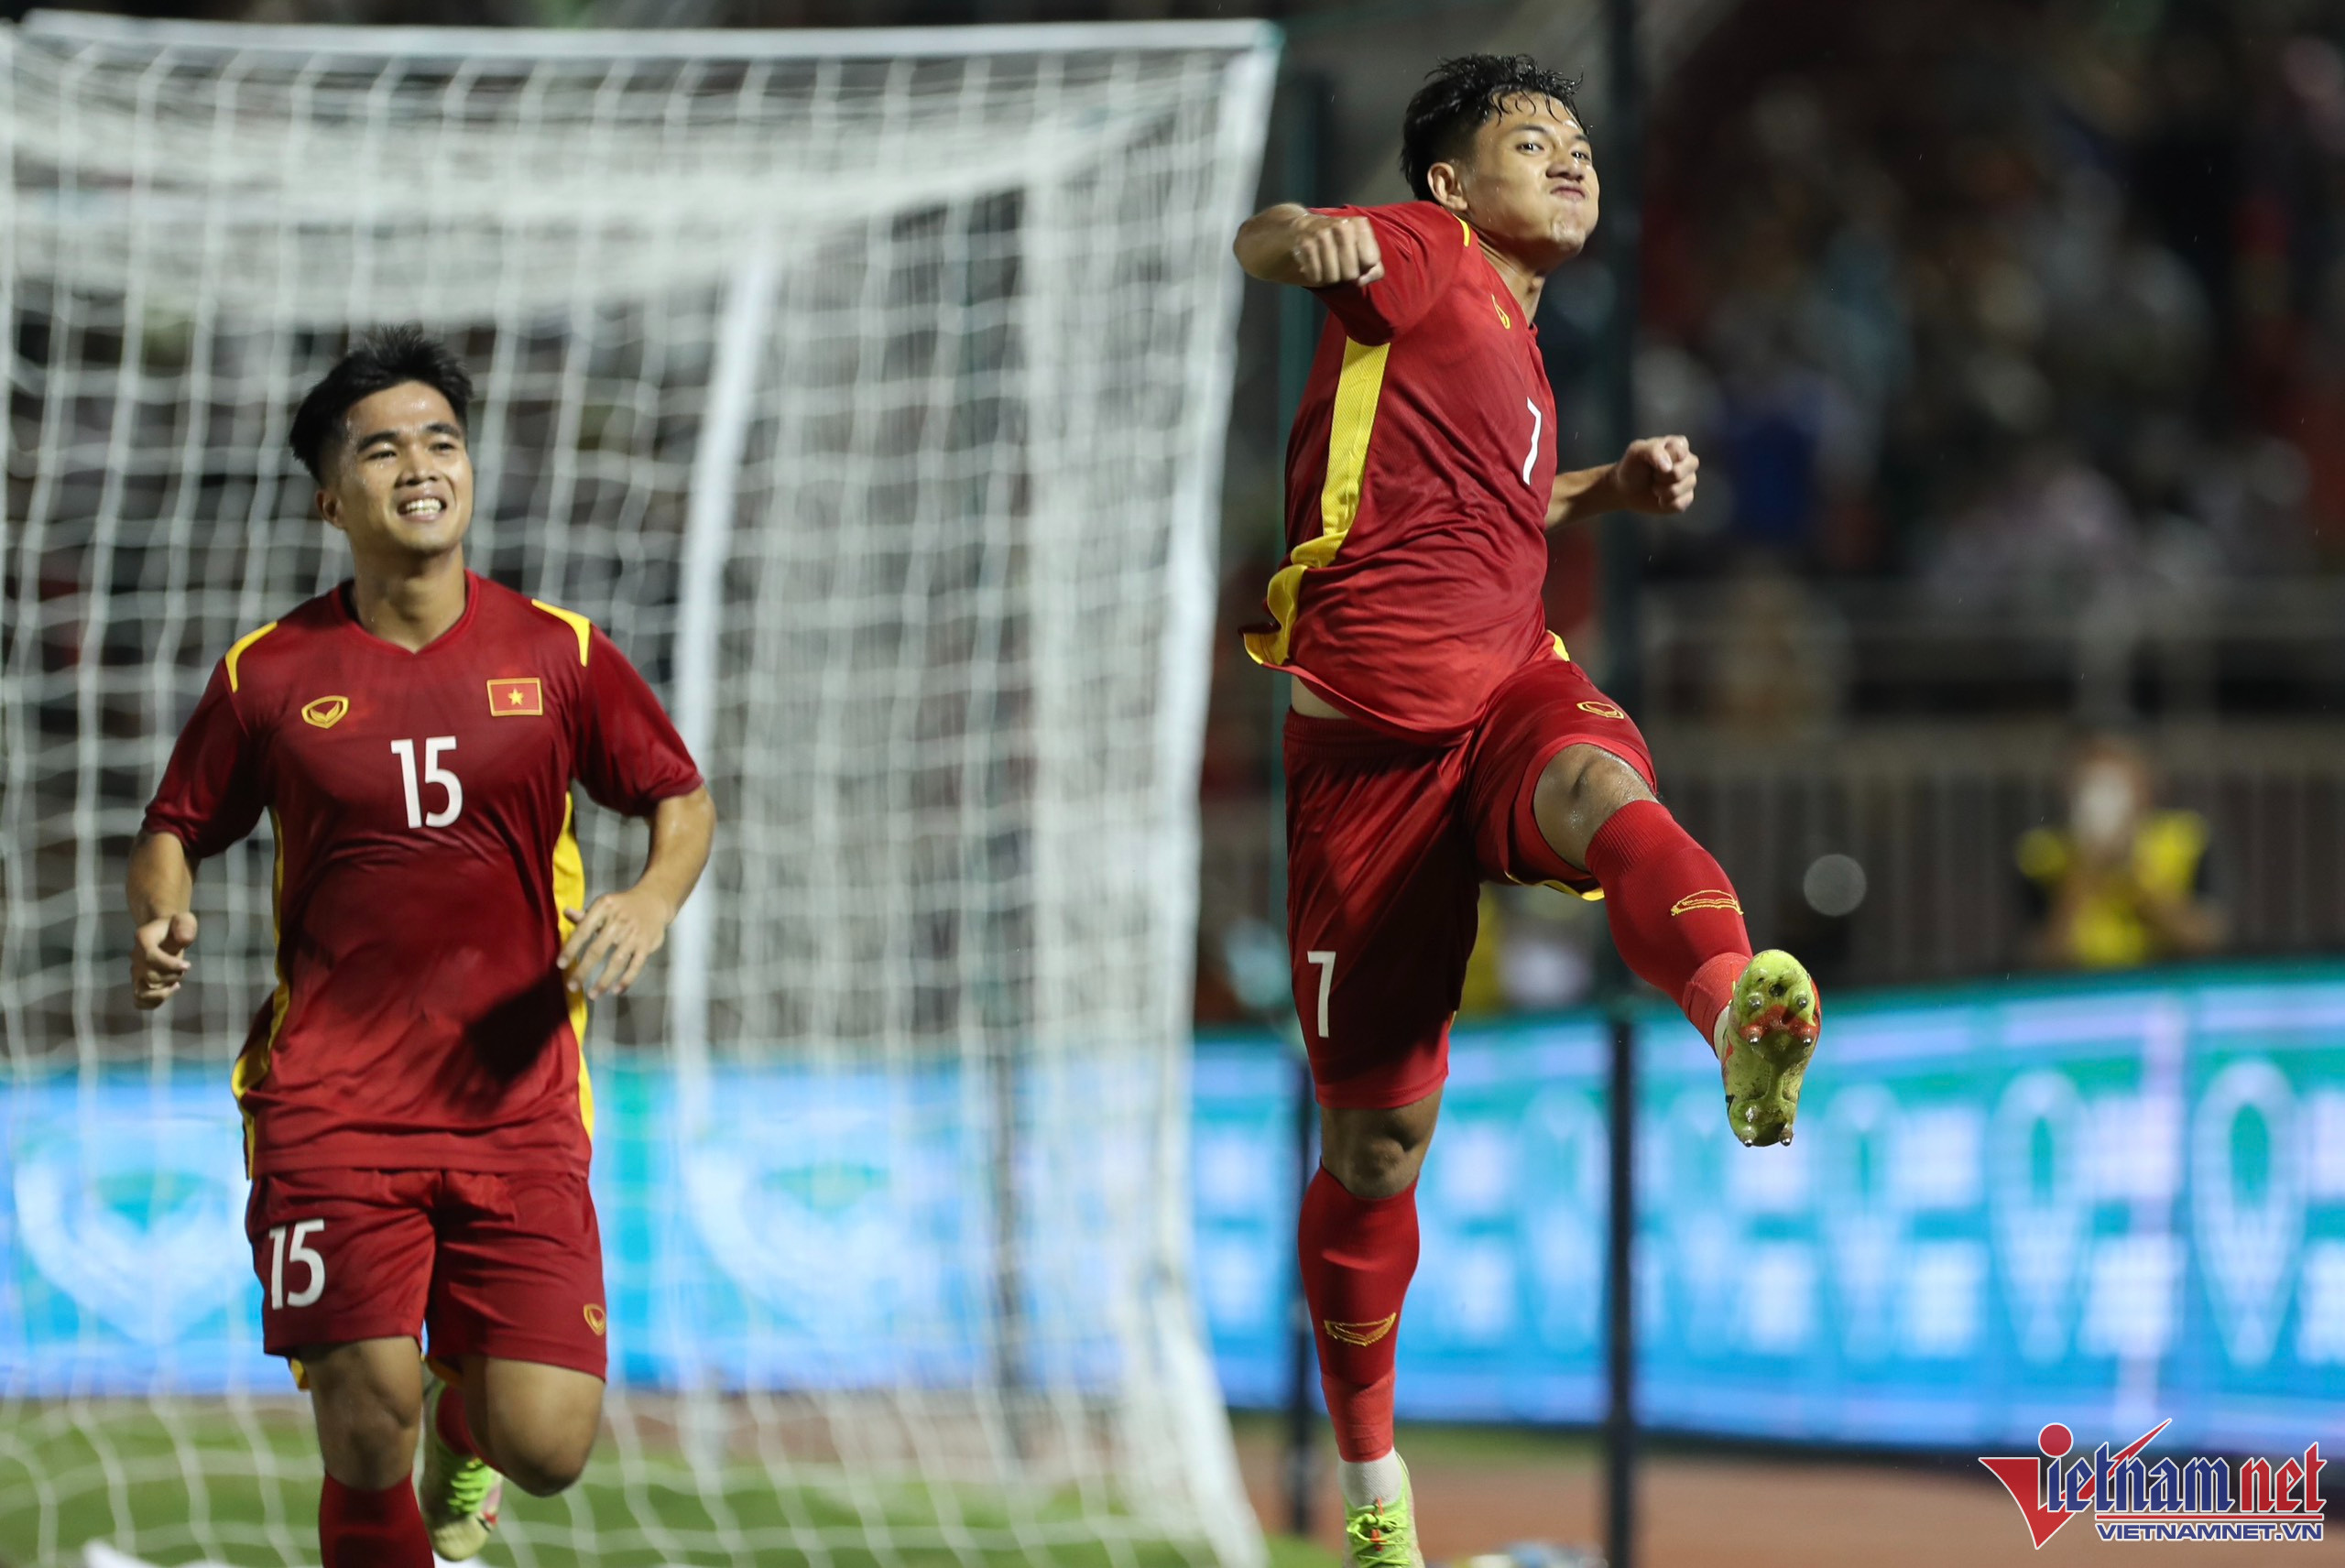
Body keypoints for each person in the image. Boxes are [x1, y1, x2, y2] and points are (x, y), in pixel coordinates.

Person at [1232, 56, 1820, 1566]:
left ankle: (1737, 1013)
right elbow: (1274, 239)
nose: (1570, 159)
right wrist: (1306, 239)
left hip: (1505, 695)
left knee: (1600, 783)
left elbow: (1487, 499)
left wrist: (1603, 490)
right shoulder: (1422, 254)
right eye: (1529, 141)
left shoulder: (1521, 342)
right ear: (1448, 184)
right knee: (1375, 1151)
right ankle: (1375, 1489)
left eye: (1579, 143)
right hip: (1367, 772)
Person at [125, 328, 717, 1567]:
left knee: (545, 1444)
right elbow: (175, 822)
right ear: (330, 500)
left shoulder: (560, 652)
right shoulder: (269, 674)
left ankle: (468, 1439)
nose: (420, 465)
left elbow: (680, 796)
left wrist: (654, 899)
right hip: (333, 1102)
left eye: (441, 440)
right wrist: (161, 908)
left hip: (518, 1102)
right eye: (382, 449)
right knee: (364, 1418)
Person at [2019, 732, 2220, 969]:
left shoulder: (2185, 840)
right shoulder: (2043, 856)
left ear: (2145, 788)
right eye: (2091, 787)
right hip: (2082, 985)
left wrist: (2139, 881)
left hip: (2163, 982)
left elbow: (2207, 940)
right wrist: (2081, 877)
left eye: (2114, 787)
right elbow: (2039, 956)